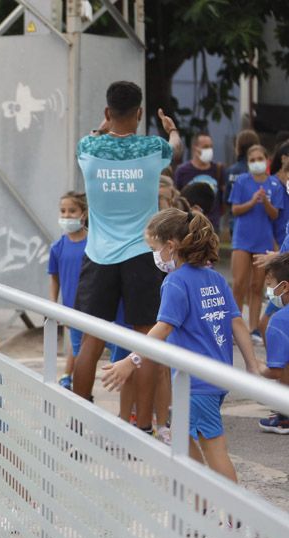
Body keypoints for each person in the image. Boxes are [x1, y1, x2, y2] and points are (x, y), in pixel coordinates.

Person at [102, 209, 260, 538]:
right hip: (213, 378)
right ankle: (201, 514)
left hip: (196, 381)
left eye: (154, 247)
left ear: (172, 245)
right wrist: (252, 367)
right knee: (186, 444)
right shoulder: (214, 277)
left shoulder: (176, 282)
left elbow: (163, 328)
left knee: (213, 449)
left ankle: (237, 522)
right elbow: (237, 324)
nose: (153, 256)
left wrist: (131, 360)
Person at [72, 80, 182, 437]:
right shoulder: (154, 148)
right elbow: (175, 149)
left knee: (91, 340)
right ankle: (145, 425)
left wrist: (104, 127)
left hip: (99, 255)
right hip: (142, 255)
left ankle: (77, 425)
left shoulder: (88, 147)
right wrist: (172, 129)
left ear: (107, 112)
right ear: (139, 113)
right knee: (145, 340)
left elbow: (95, 134)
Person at [228, 144, 285, 343]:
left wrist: (265, 202)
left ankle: (253, 329)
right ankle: (234, 327)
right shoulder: (242, 181)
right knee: (239, 284)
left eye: (259, 159)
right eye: (252, 160)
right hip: (242, 239)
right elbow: (235, 210)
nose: (256, 163)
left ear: (267, 159)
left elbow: (275, 214)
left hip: (263, 240)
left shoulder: (275, 185)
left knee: (257, 285)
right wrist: (252, 201)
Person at [47, 191, 89, 390]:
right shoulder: (57, 247)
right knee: (78, 348)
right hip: (71, 308)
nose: (66, 215)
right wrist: (52, 305)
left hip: (95, 308)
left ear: (84, 213)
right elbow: (54, 279)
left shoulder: (94, 244)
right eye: (63, 211)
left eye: (72, 210)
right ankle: (71, 381)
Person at [258, 252, 289, 433]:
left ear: (284, 286)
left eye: (269, 285)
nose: (268, 291)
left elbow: (275, 372)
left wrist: (259, 366)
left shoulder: (278, 321)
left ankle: (285, 416)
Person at [173, 133, 224, 230]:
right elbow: (177, 197)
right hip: (188, 225)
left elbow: (222, 200)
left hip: (212, 225)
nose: (209, 150)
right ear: (195, 148)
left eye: (210, 147)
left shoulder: (218, 169)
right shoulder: (182, 171)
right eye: (205, 147)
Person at [224, 129, 261, 233]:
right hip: (256, 223)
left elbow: (227, 199)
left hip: (235, 222)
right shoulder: (259, 171)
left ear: (238, 147)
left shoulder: (231, 171)